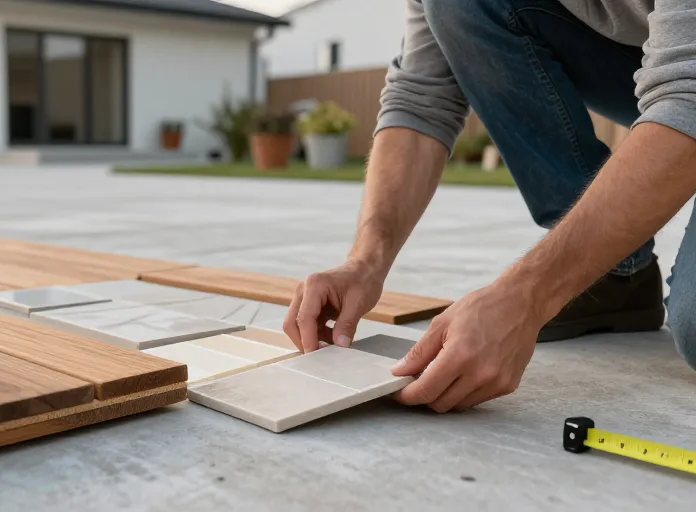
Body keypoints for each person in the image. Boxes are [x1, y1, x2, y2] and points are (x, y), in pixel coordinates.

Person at [283, 0, 696, 414]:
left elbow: (688, 95)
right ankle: (614, 273)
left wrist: (526, 295)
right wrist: (365, 260)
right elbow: (420, 95)